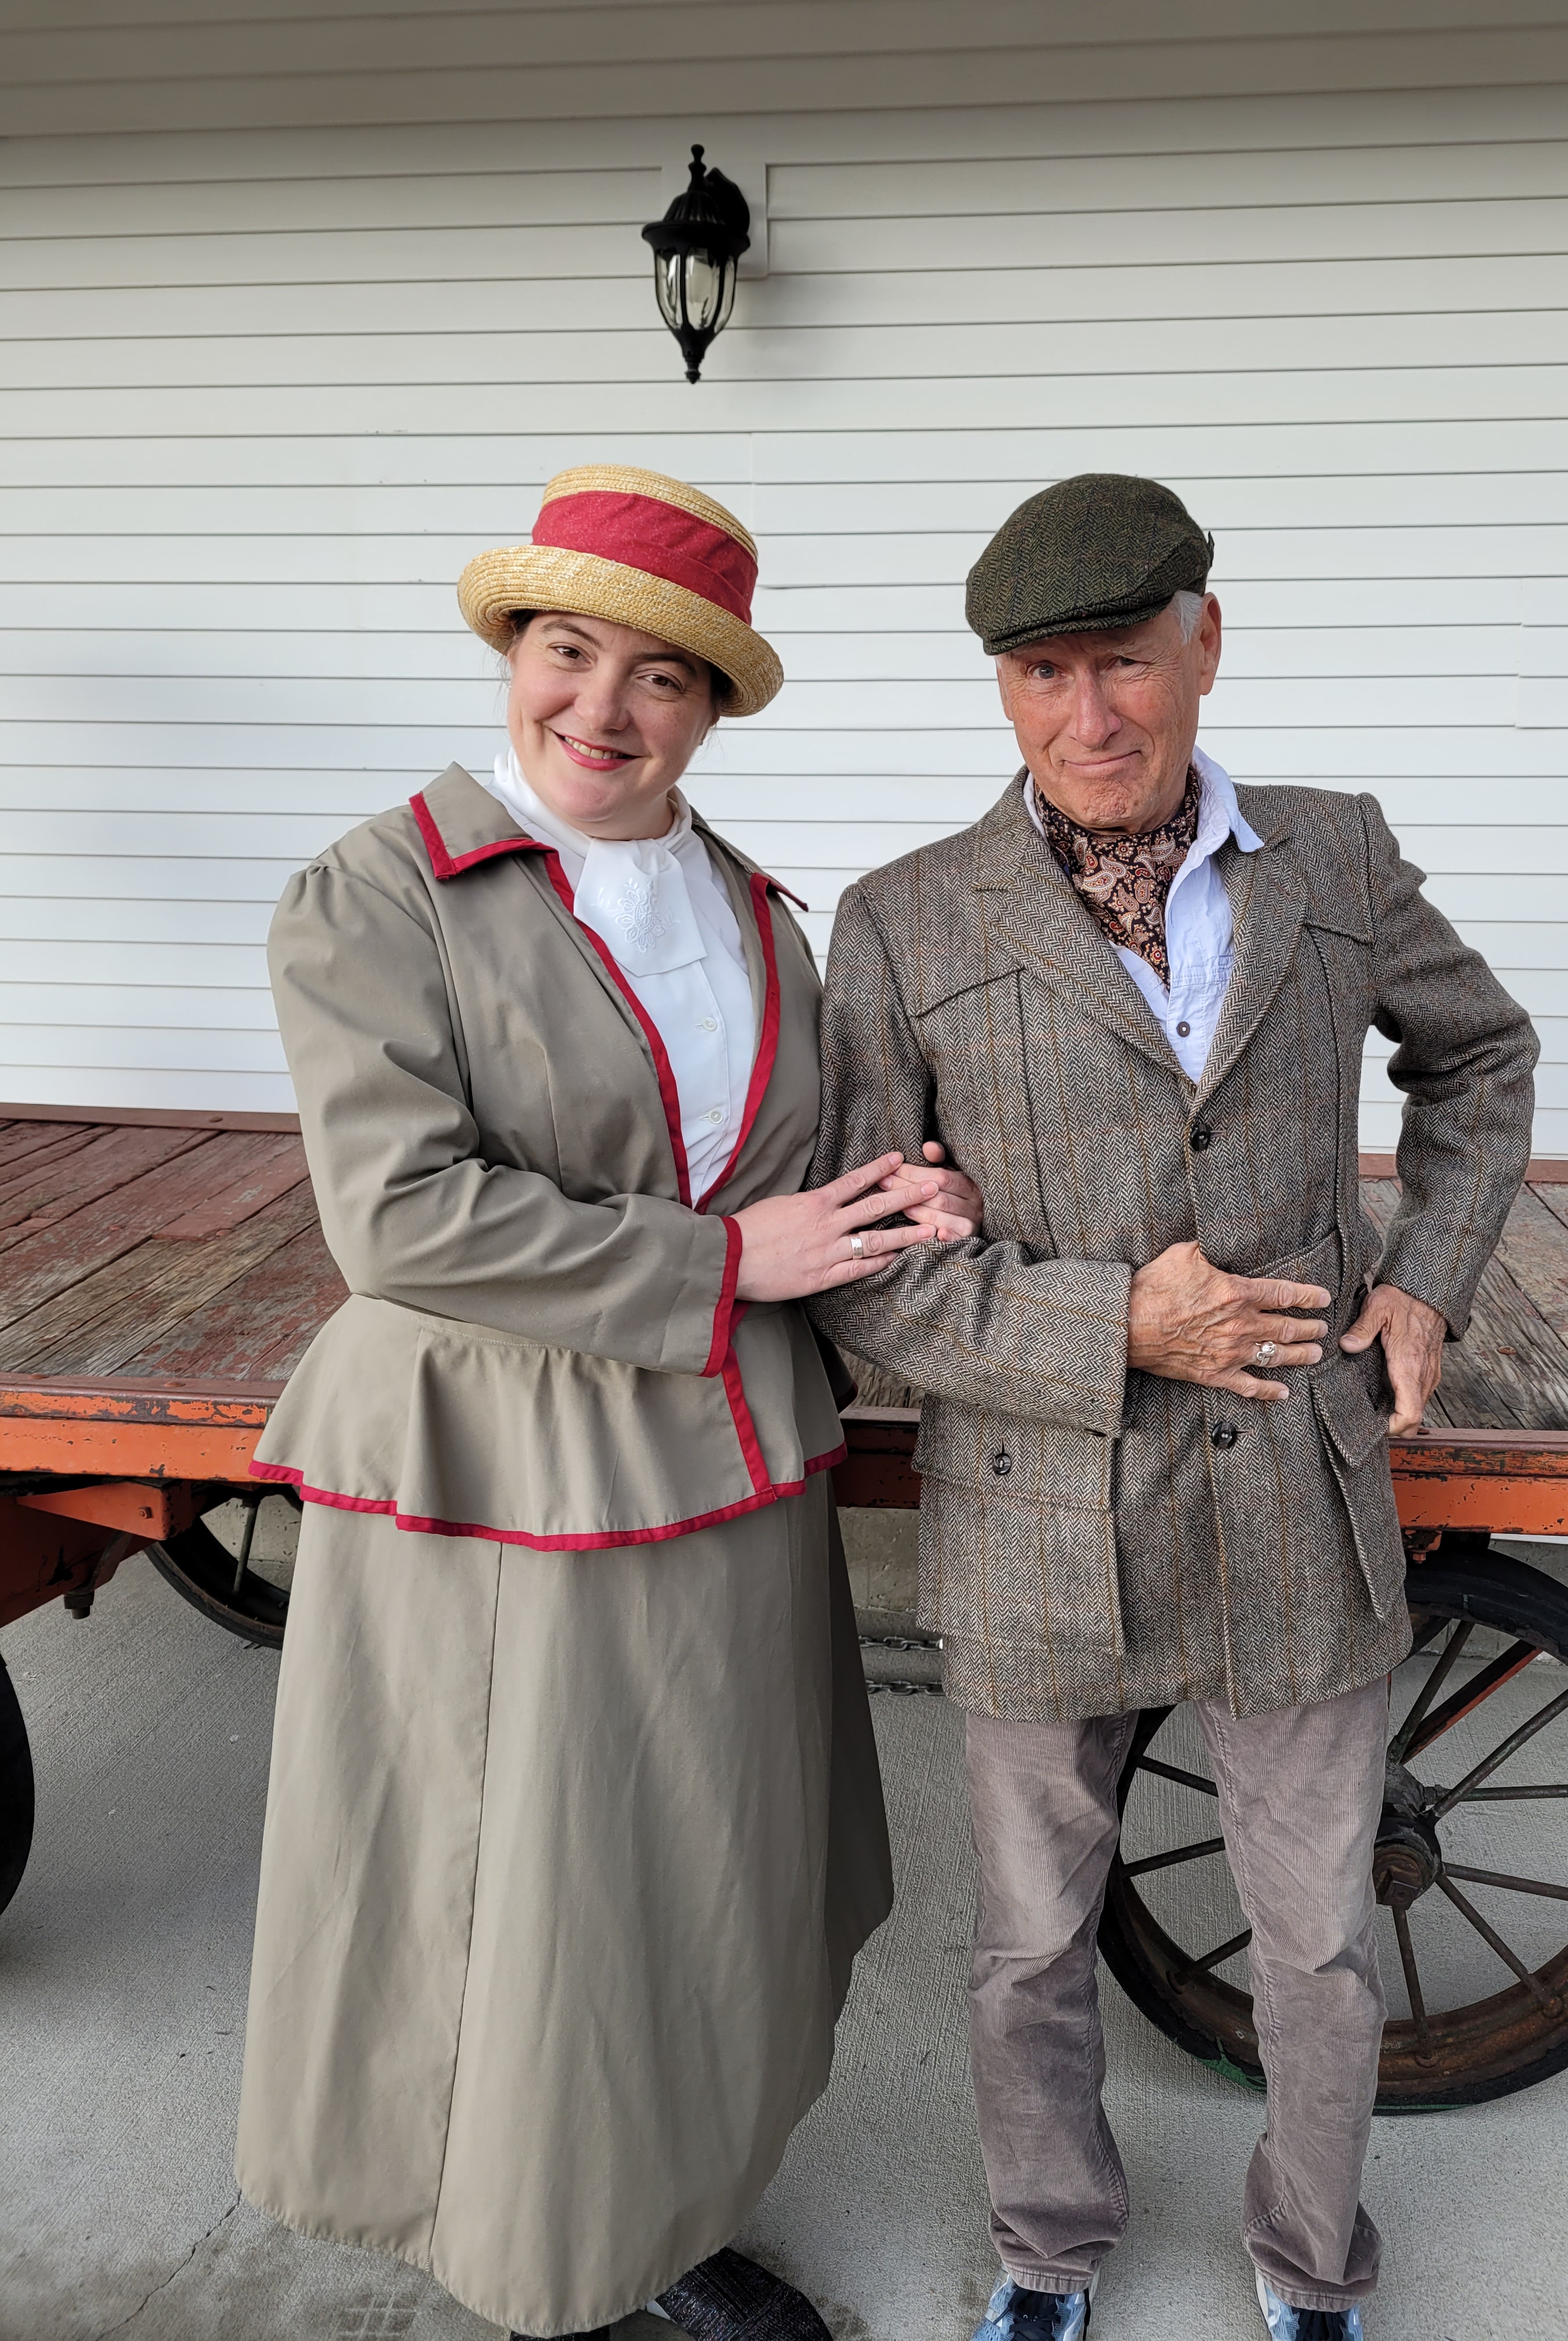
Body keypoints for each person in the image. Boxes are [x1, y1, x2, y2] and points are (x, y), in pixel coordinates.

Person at [234, 466, 982, 2341]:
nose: (604, 707)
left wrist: (898, 1196)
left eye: (662, 676)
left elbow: (781, 1172)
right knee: (544, 1882)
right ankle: (556, 2251)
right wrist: (729, 1264)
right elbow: (402, 1219)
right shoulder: (382, 893)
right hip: (507, 1468)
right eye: (566, 653)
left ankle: (665, 2195)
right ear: (512, 652)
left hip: (725, 1451)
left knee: (702, 1869)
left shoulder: (756, 912)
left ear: (712, 706)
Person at [806, 476, 1538, 2341]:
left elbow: (1480, 1057)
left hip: (1296, 1485)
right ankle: (1047, 2249)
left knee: (1319, 1939)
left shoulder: (1335, 856)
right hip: (1040, 1510)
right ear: (1001, 687)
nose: (1089, 716)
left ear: (1206, 641)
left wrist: (1429, 1278)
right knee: (1029, 1943)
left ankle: (1312, 2263)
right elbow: (868, 1269)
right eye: (1041, 675)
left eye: (1124, 661)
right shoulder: (901, 922)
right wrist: (1109, 1323)